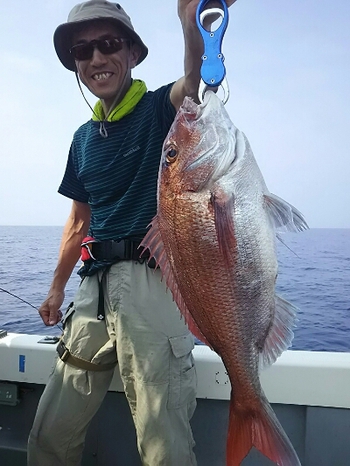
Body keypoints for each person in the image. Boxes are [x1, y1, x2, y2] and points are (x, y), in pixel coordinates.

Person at [27, 1, 235, 465]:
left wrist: (190, 24)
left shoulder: (162, 108)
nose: (96, 59)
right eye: (84, 50)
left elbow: (196, 83)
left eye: (109, 44)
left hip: (153, 286)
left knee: (165, 446)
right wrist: (56, 289)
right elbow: (79, 221)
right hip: (91, 292)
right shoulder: (82, 138)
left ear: (133, 53)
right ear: (76, 65)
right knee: (48, 435)